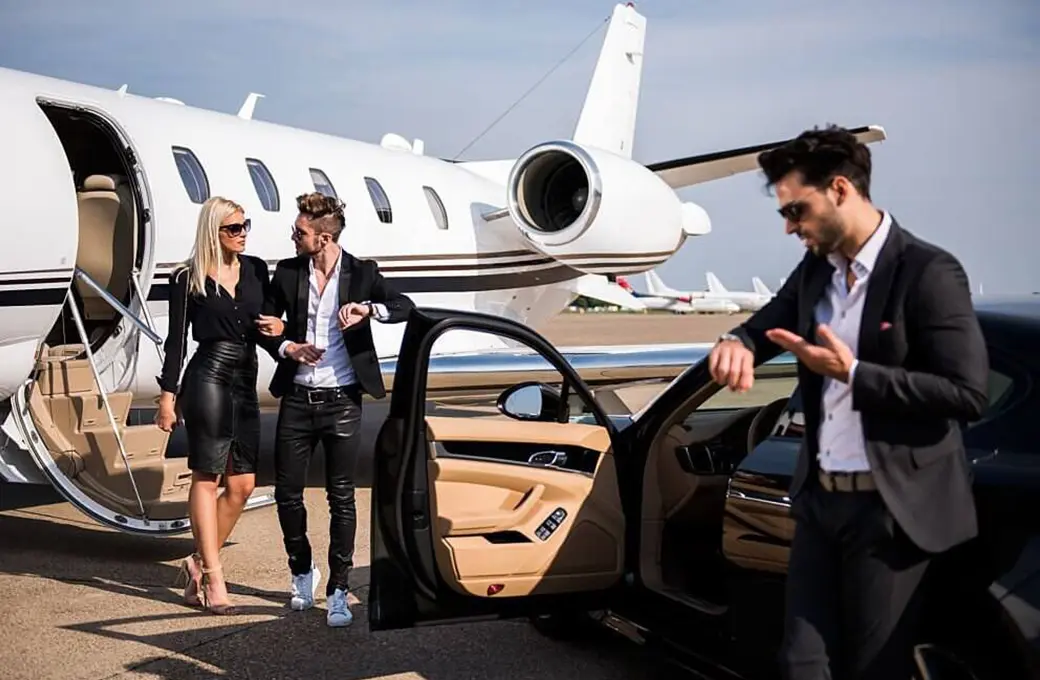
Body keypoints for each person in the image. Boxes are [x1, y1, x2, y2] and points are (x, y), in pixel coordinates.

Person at [707, 125, 989, 679]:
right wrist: (736, 341)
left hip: (891, 511)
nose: (790, 227)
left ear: (840, 189)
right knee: (801, 663)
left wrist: (853, 373)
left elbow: (966, 393)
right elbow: (767, 324)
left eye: (797, 210)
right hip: (820, 502)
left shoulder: (927, 272)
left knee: (874, 668)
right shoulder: (818, 268)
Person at [263, 191, 414, 627]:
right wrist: (287, 346)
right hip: (297, 397)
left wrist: (368, 309)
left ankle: (338, 590)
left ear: (324, 237)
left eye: (300, 232)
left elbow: (405, 306)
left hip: (343, 401)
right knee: (287, 494)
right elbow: (266, 325)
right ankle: (301, 570)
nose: (293, 237)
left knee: (341, 496)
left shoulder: (363, 272)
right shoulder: (288, 272)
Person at [156, 196, 285, 615]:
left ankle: (195, 562)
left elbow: (263, 328)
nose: (242, 234)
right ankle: (214, 576)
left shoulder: (256, 270)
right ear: (213, 231)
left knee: (243, 484)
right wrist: (168, 397)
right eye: (233, 228)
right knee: (207, 476)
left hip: (245, 375)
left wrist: (284, 335)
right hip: (208, 374)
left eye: (245, 226)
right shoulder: (186, 277)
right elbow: (177, 341)